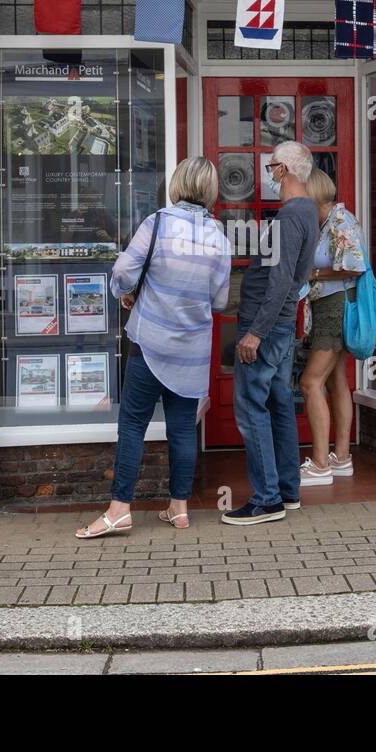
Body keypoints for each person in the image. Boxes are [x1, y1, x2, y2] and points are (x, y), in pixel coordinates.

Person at [76, 158, 231, 539]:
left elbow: (124, 271)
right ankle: (179, 508)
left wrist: (126, 293)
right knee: (182, 428)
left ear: (178, 183)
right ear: (211, 190)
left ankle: (118, 510)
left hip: (151, 343)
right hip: (192, 348)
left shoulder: (158, 223)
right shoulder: (218, 236)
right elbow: (221, 299)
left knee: (132, 424)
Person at [222, 140, 318, 526]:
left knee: (251, 408)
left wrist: (255, 333)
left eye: (271, 167)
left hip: (266, 326)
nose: (269, 175)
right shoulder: (305, 212)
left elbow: (280, 280)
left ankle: (267, 500)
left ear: (285, 171)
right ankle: (287, 491)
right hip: (279, 323)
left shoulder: (291, 215)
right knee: (279, 404)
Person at [298, 168, 366, 486]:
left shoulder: (341, 221)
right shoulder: (326, 222)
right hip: (328, 305)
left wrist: (314, 275)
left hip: (335, 306)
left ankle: (321, 464)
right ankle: (341, 458)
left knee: (310, 383)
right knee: (337, 380)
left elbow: (353, 267)